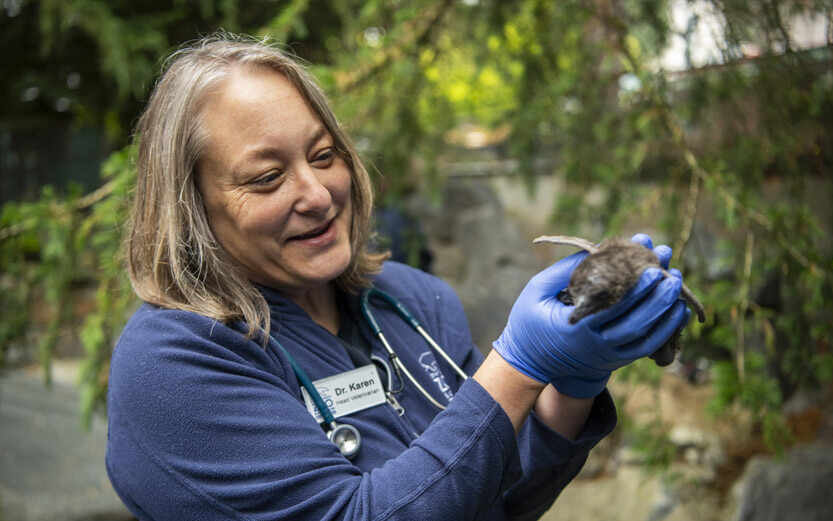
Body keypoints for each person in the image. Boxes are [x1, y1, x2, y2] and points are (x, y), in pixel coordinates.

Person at [105, 33, 691, 521]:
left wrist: (573, 383)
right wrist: (518, 365)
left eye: (324, 154)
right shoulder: (173, 362)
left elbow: (494, 493)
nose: (316, 194)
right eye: (266, 178)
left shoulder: (412, 298)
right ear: (192, 209)